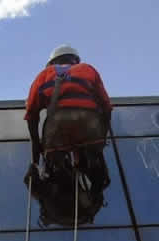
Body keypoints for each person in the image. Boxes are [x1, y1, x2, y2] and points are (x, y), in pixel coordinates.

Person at [21, 45, 114, 226]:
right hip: (90, 123)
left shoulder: (43, 75)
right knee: (96, 164)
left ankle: (61, 183)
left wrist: (37, 148)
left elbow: (31, 114)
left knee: (53, 166)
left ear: (52, 63)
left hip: (58, 128)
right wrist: (102, 137)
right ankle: (94, 186)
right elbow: (106, 106)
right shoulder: (88, 69)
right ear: (75, 60)